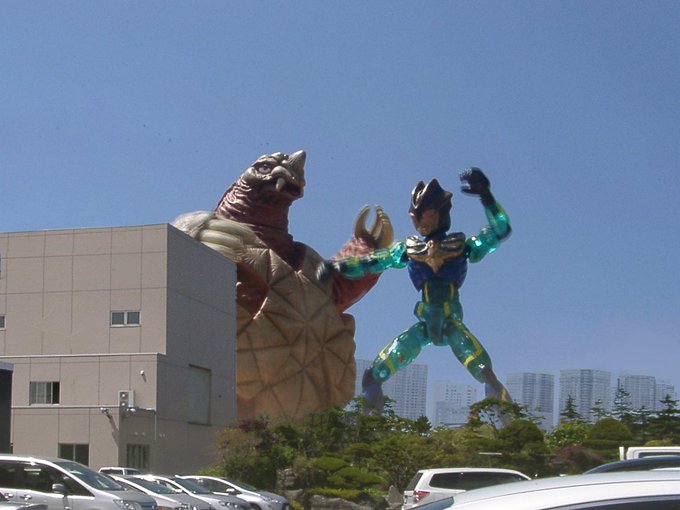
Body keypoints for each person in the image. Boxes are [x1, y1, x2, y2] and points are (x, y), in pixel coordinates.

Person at [320, 168, 512, 412]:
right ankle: (366, 427)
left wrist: (487, 196)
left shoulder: (459, 247)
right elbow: (373, 261)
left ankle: (511, 423)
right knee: (373, 376)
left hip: (450, 324)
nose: (417, 220)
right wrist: (338, 267)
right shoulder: (409, 250)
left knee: (486, 373)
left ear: (434, 214)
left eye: (423, 214)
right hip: (425, 326)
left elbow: (500, 230)